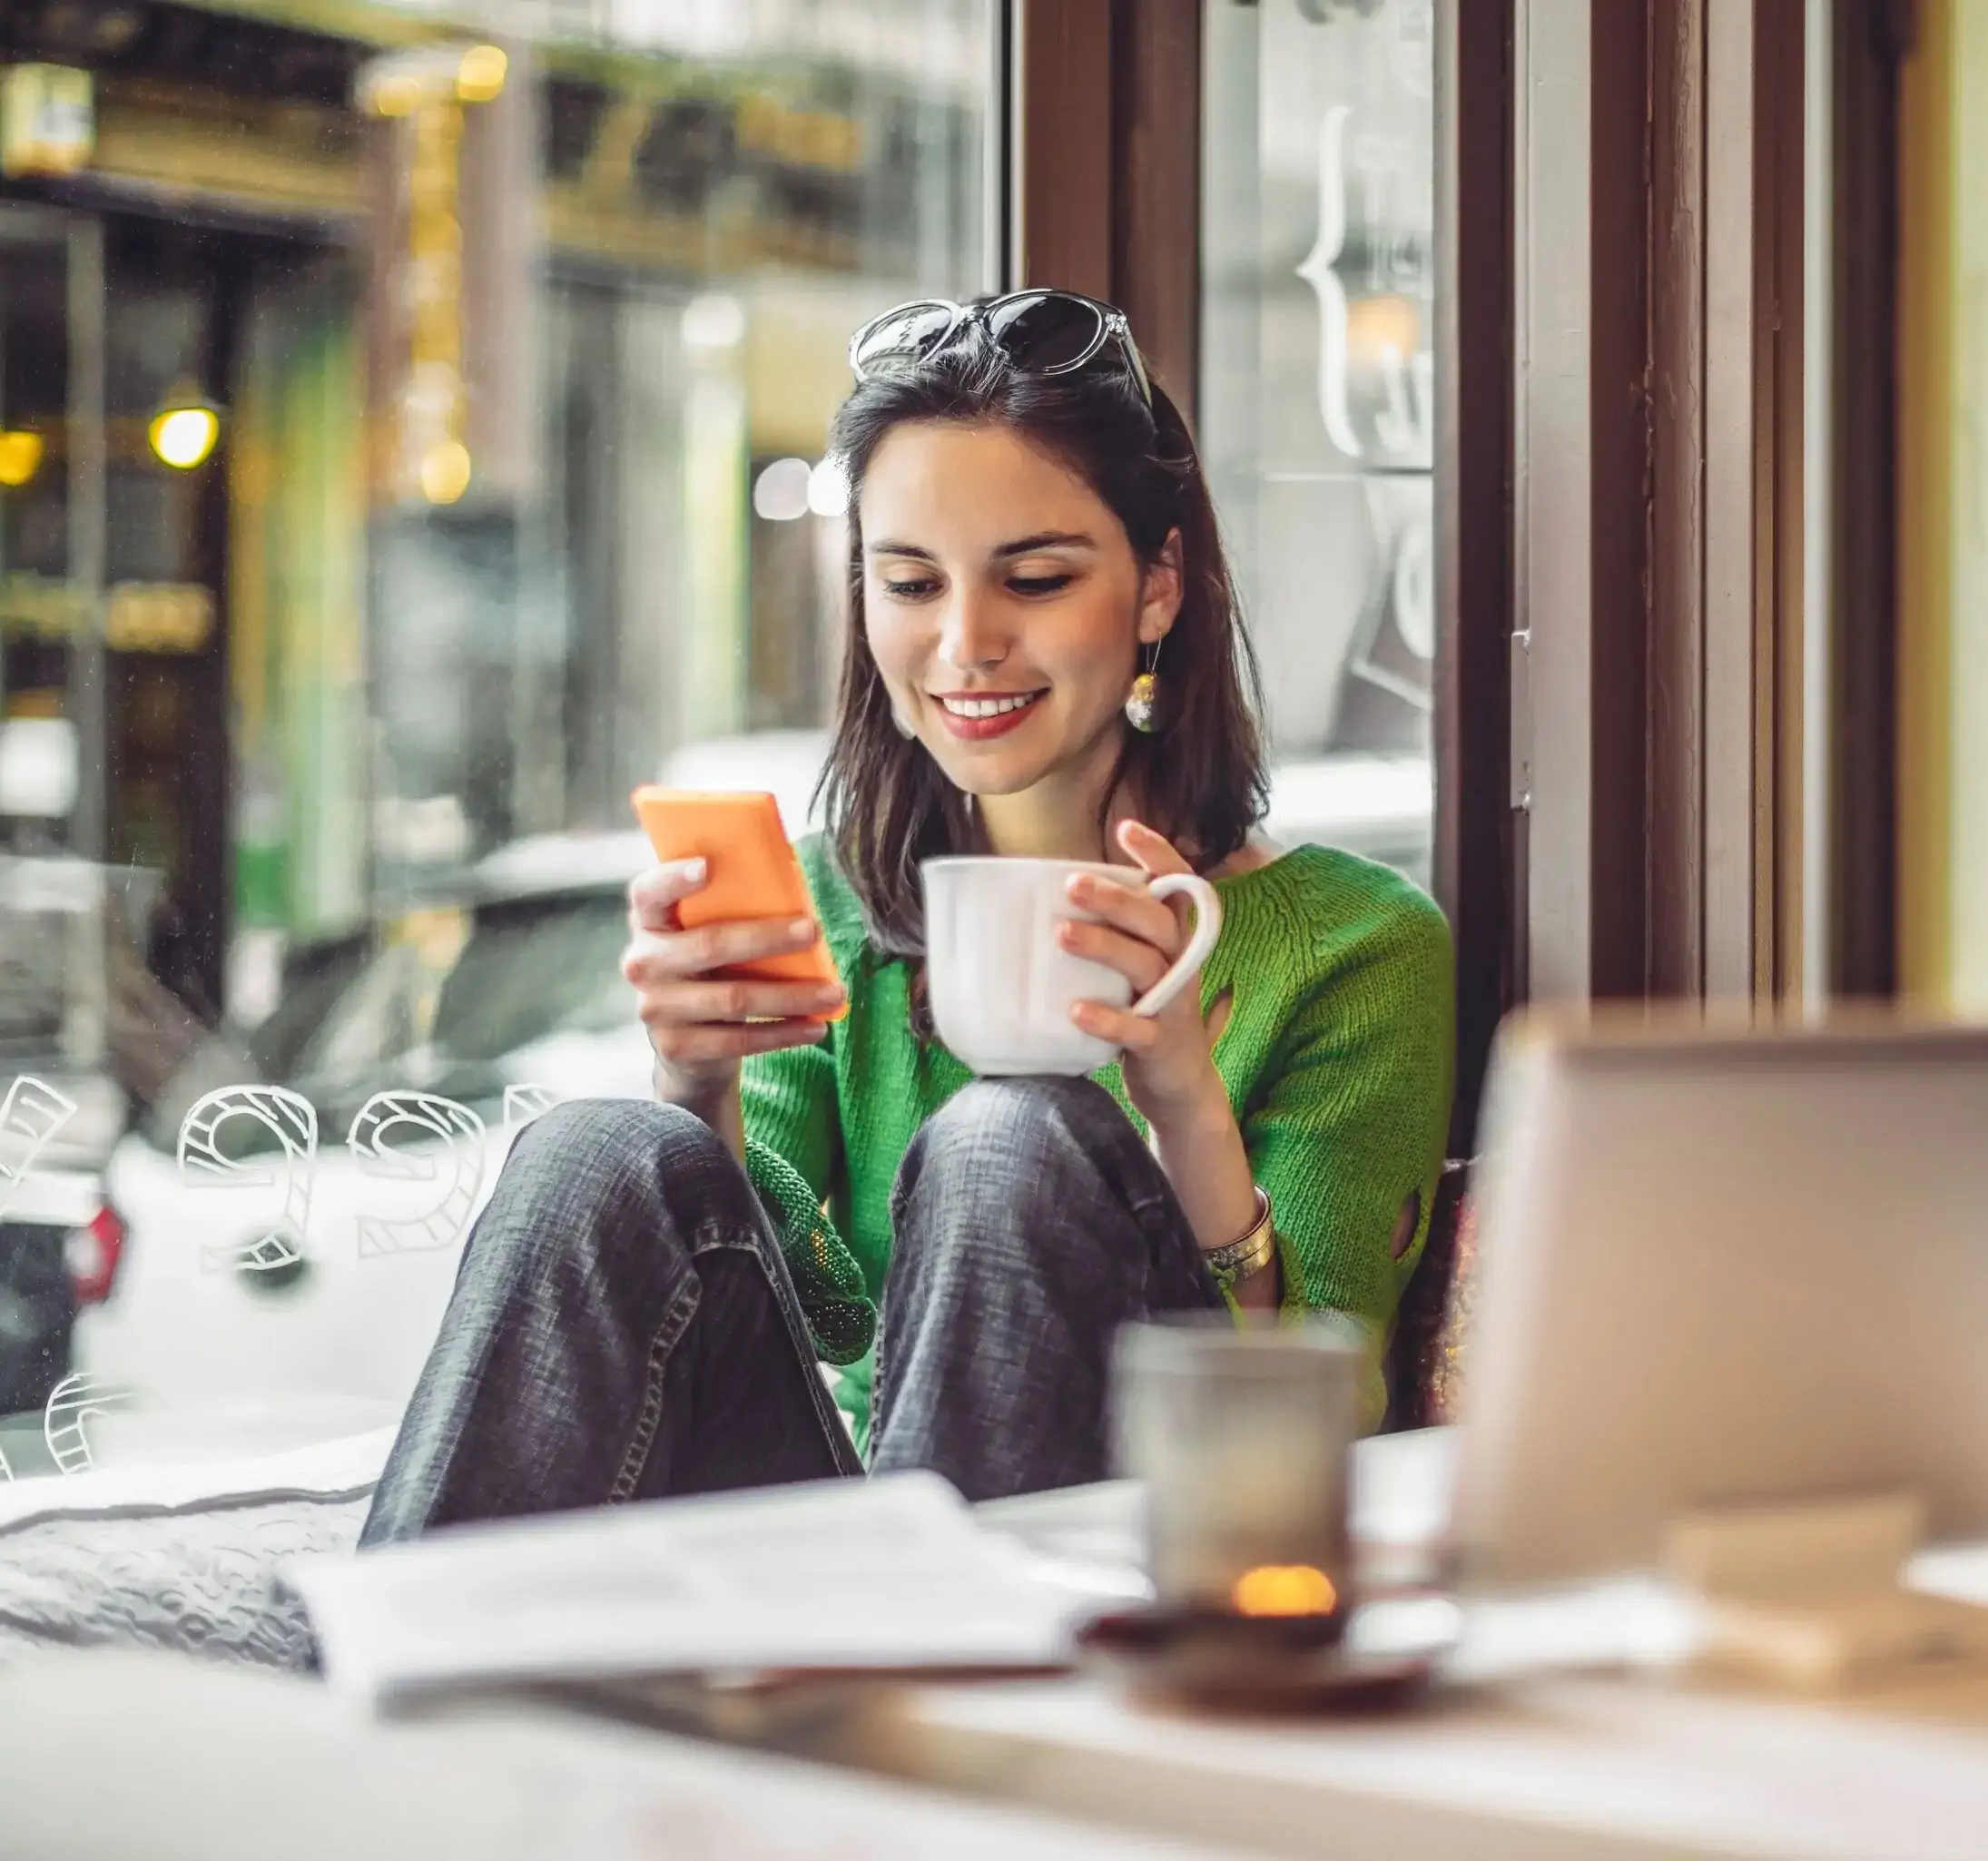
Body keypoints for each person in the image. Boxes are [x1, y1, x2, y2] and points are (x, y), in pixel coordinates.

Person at [360, 290, 1453, 1541]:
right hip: (853, 1539)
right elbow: (812, 1309)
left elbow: (1309, 1422)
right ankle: (382, 1714)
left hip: (1129, 1547)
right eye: (911, 581)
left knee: (1012, 1134)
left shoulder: (1356, 947)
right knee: (596, 1145)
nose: (965, 643)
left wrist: (1185, 1108)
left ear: (1159, 586)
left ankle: (943, 1697)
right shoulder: (833, 897)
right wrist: (696, 1085)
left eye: (1035, 578)